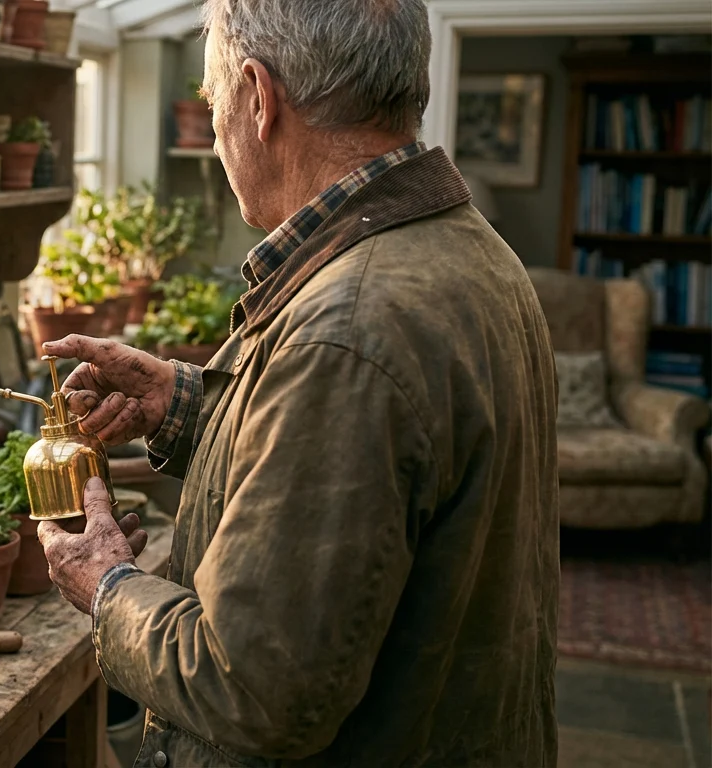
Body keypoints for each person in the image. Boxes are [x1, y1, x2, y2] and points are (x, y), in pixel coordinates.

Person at [34, 1, 560, 766]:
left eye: (214, 103)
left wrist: (108, 585)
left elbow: (248, 686)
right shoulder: (470, 250)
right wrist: (186, 403)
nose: (215, 130)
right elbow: (378, 472)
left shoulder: (344, 330)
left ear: (258, 97)